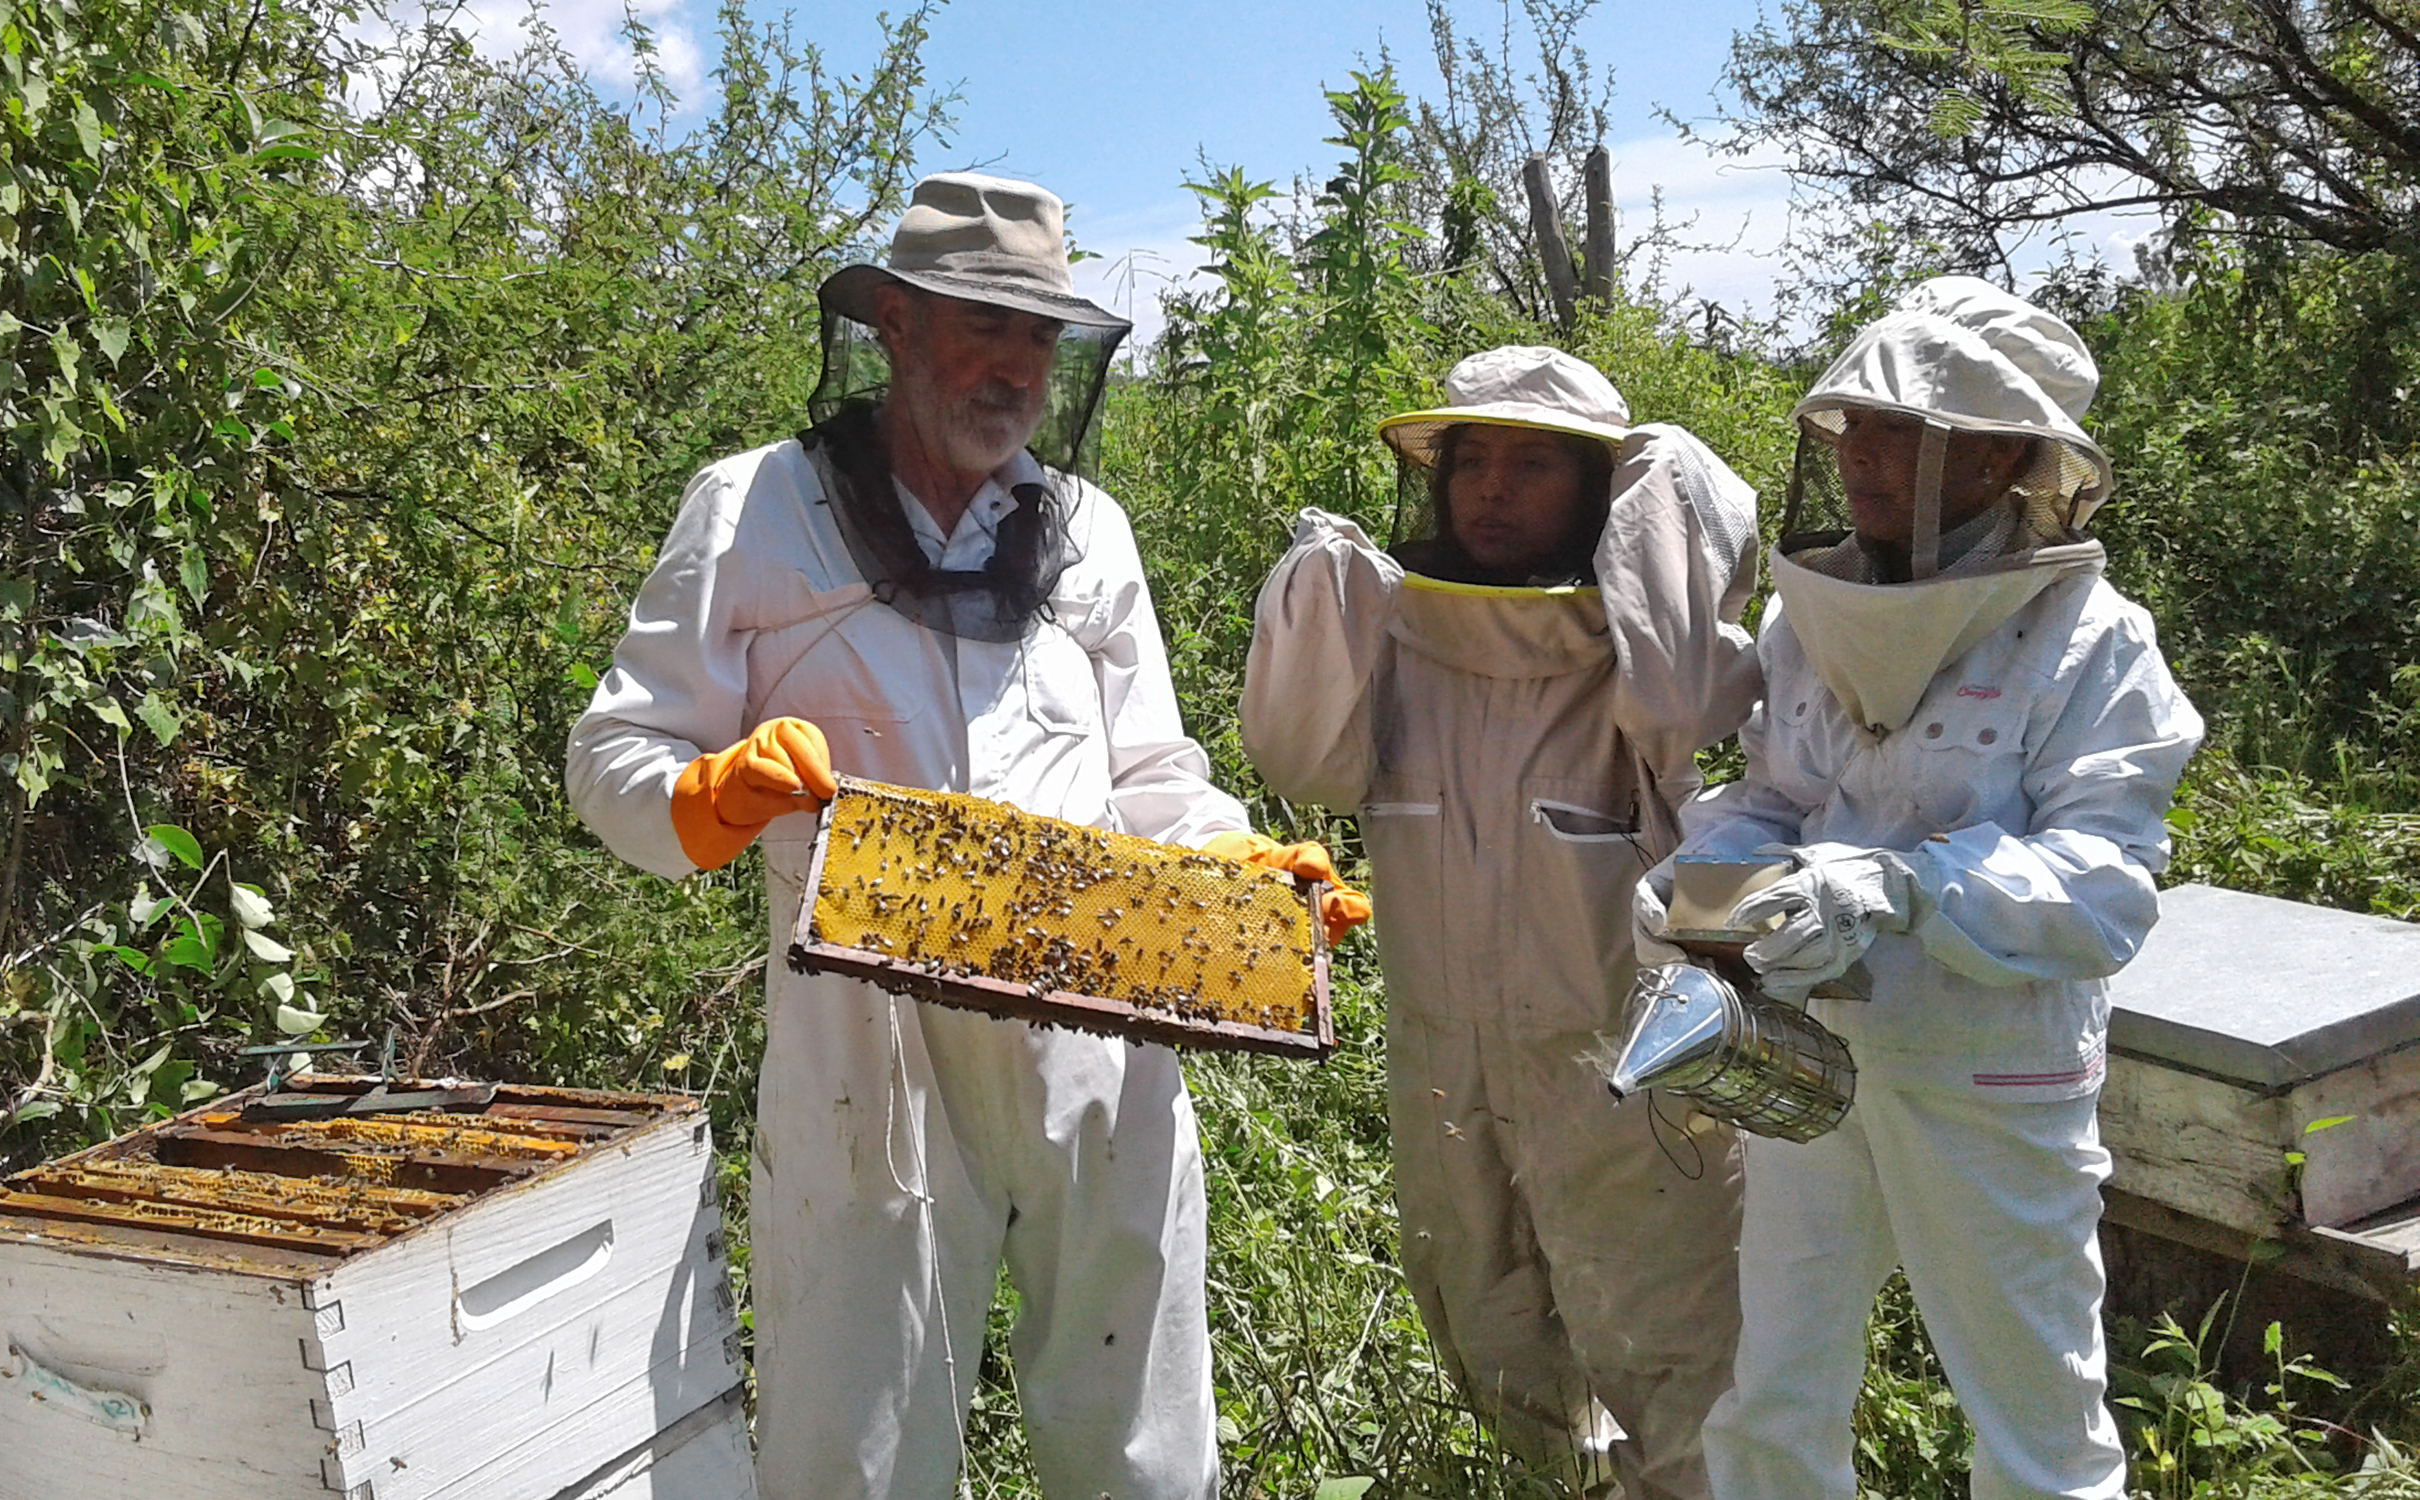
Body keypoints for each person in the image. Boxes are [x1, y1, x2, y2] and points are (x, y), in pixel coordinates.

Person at [566, 171, 1361, 1500]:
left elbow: (1153, 773)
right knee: (854, 1450)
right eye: (979, 326)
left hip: (1096, 1031)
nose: (1011, 367)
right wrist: (708, 799)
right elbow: (615, 755)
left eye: (1036, 336)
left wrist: (1233, 864)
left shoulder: (1087, 530)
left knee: (1139, 1443)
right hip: (865, 1049)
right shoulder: (754, 507)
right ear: (890, 322)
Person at [1639, 277, 2204, 1500]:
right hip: (1808, 1050)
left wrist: (1898, 886)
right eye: (1852, 426)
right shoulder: (1815, 621)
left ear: (2000, 453)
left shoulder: (2090, 641)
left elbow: (2103, 891)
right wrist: (1701, 881)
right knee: (1776, 1386)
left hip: (1990, 1063)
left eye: (1899, 431)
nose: (1859, 458)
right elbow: (1776, 794)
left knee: (2031, 1416)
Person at [1241, 346, 1763, 1497]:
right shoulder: (1396, 641)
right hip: (1441, 1067)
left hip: (1628, 1078)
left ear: (1597, 493)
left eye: (1534, 465)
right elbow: (1296, 758)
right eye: (1473, 459)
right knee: (1487, 1330)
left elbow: (1684, 697)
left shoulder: (1642, 667)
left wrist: (1658, 486)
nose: (1490, 488)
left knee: (1675, 1352)